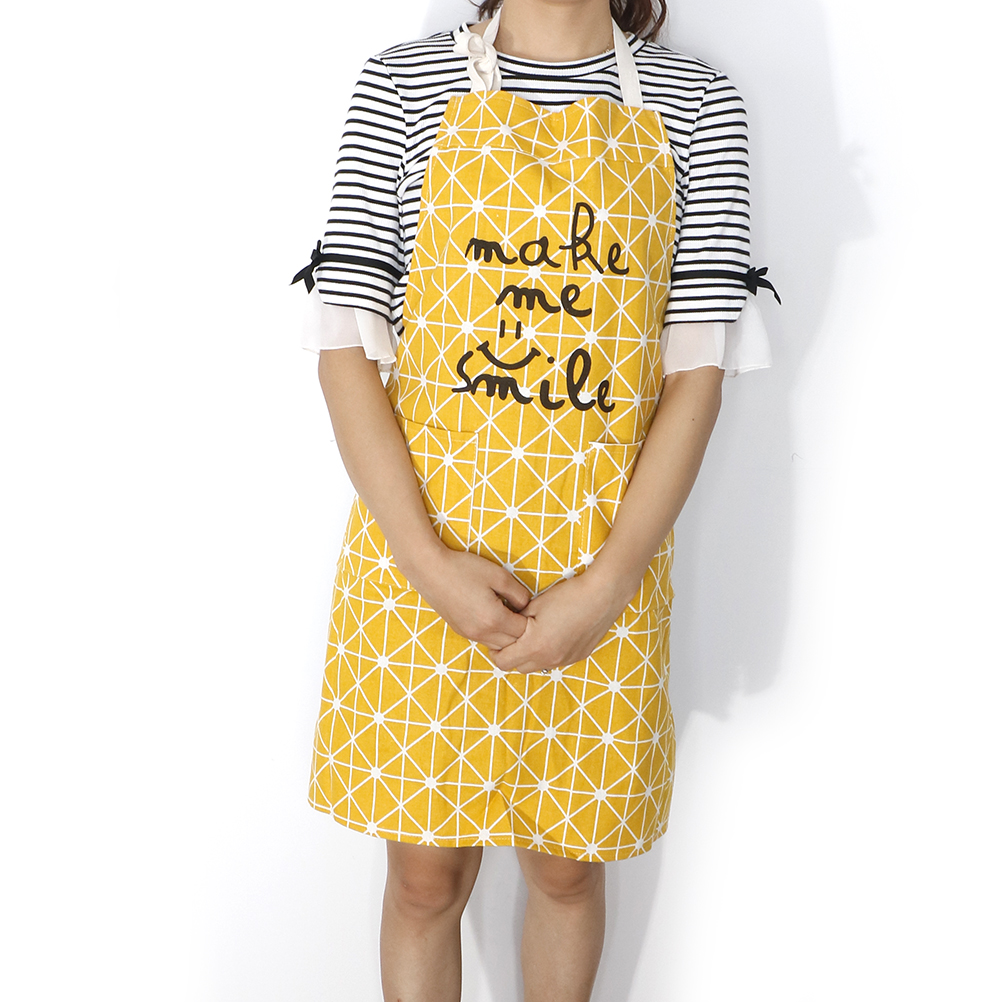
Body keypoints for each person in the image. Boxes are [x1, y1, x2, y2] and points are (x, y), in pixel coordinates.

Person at [293, 1, 775, 998]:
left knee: (567, 867)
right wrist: (429, 565)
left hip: (604, 568)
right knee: (425, 878)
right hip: (421, 563)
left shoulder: (697, 105)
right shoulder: (403, 86)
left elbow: (697, 371)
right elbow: (343, 345)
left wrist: (609, 582)